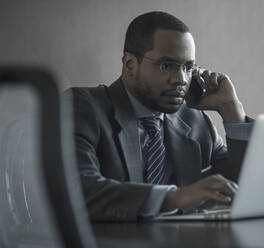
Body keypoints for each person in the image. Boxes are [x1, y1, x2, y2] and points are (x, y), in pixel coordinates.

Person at [65, 11, 254, 221]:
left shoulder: (195, 121)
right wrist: (172, 198)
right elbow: (76, 189)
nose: (181, 79)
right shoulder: (83, 107)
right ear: (130, 65)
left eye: (188, 67)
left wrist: (232, 112)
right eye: (167, 66)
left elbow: (247, 185)